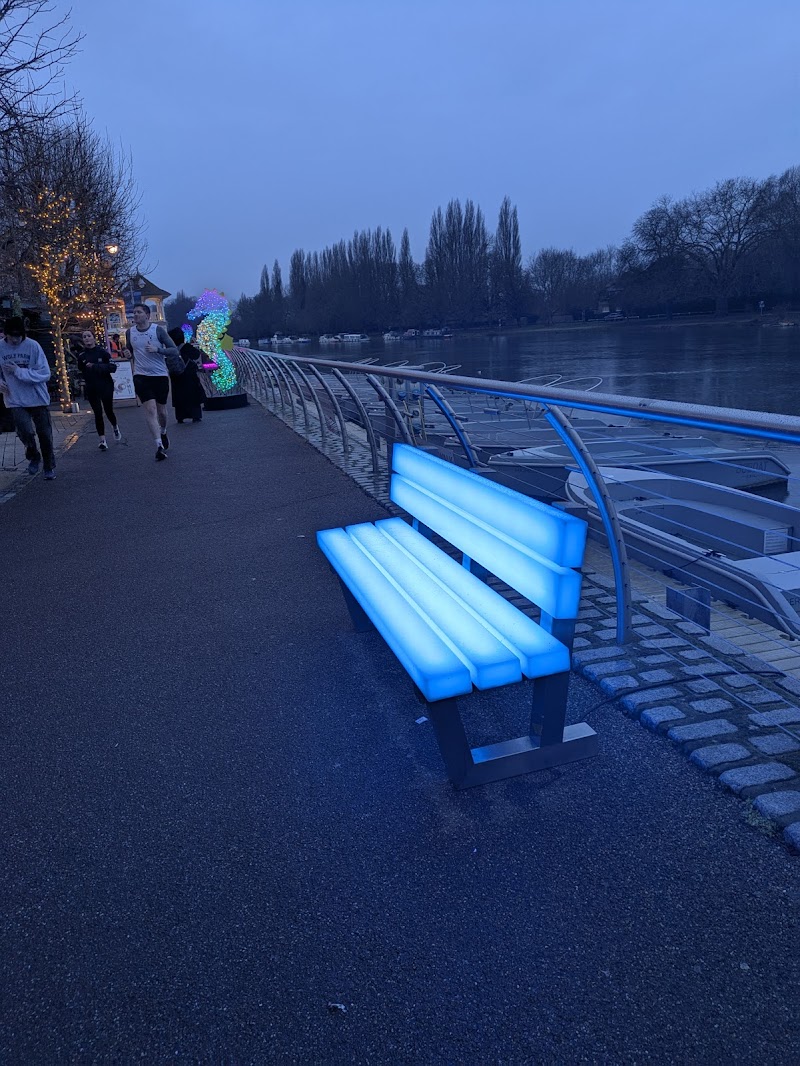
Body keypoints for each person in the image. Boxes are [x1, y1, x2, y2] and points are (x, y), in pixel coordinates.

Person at [0, 316, 56, 479]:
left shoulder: (33, 346)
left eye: (19, 336)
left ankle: (48, 466)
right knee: (24, 431)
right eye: (12, 336)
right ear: (6, 334)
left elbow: (44, 374)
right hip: (14, 398)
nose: (15, 340)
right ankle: (33, 455)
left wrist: (18, 371)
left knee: (44, 434)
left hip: (37, 397)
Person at [125, 303, 180, 461]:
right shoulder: (130, 332)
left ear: (147, 315)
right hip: (141, 375)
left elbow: (174, 350)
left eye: (139, 312)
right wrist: (127, 354)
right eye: (134, 312)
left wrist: (158, 350)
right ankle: (158, 446)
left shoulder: (157, 330)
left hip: (159, 375)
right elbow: (129, 350)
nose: (135, 315)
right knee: (150, 410)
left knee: (161, 411)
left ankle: (163, 431)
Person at [77, 329, 121, 451]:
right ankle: (102, 440)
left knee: (108, 410)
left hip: (105, 385)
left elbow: (112, 367)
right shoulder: (82, 355)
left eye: (88, 336)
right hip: (91, 387)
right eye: (84, 337)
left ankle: (115, 426)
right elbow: (81, 369)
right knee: (97, 413)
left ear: (93, 338)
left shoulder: (102, 352)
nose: (87, 338)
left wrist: (95, 366)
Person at [167, 327, 205, 423]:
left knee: (179, 396)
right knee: (192, 396)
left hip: (176, 376)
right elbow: (196, 355)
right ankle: (195, 415)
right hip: (189, 375)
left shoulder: (171, 349)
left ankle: (180, 416)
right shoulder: (187, 347)